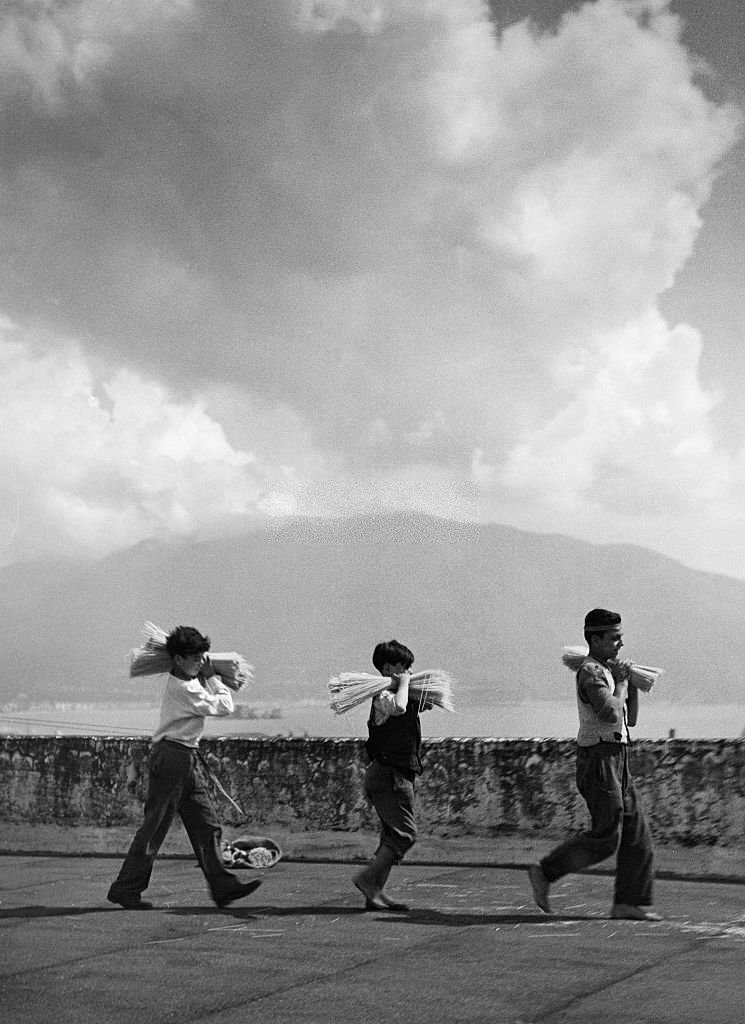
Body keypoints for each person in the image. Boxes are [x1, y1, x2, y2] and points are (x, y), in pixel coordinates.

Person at [107, 625, 262, 910]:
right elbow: (225, 707)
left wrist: (206, 675)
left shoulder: (187, 682)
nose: (200, 662)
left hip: (184, 758)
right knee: (154, 828)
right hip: (173, 759)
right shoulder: (185, 689)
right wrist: (214, 678)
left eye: (203, 657)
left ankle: (222, 886)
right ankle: (126, 888)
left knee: (207, 824)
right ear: (178, 659)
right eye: (194, 658)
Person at [527, 608, 660, 921]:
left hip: (618, 758)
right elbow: (609, 714)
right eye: (615, 638)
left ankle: (627, 902)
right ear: (596, 639)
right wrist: (624, 682)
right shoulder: (590, 672)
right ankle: (545, 872)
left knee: (638, 834)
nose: (620, 644)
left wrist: (632, 686)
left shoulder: (608, 672)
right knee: (606, 837)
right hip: (598, 760)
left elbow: (631, 719)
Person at [353, 639, 432, 912]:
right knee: (404, 835)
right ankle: (367, 880)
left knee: (391, 836)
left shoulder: (399, 693)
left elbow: (411, 707)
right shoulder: (384, 697)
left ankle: (374, 893)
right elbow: (397, 707)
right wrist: (407, 685)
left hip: (397, 773)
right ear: (388, 669)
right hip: (389, 774)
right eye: (404, 667)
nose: (409, 672)